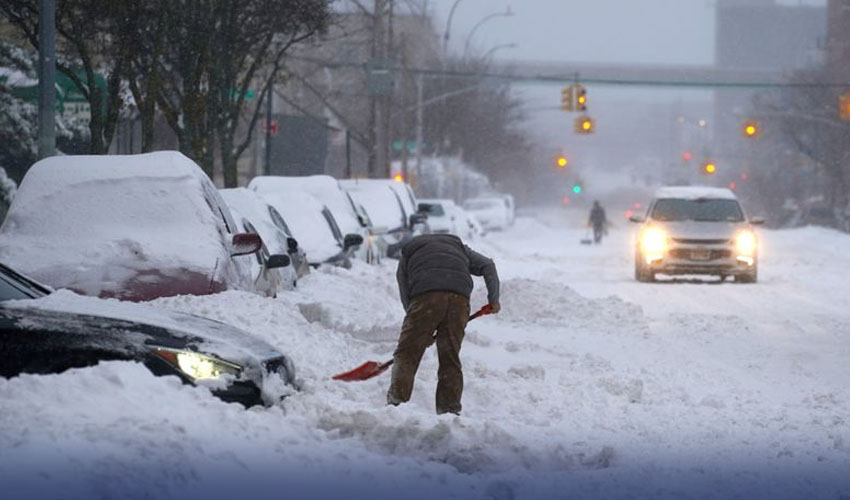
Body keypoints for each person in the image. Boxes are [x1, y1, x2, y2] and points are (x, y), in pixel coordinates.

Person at [387, 233, 500, 415]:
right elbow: (488, 265)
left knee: (407, 355)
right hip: (458, 300)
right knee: (450, 357)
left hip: (426, 298)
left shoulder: (409, 252)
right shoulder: (459, 248)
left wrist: (420, 328)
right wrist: (494, 299)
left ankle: (396, 407)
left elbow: (404, 290)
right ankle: (449, 410)